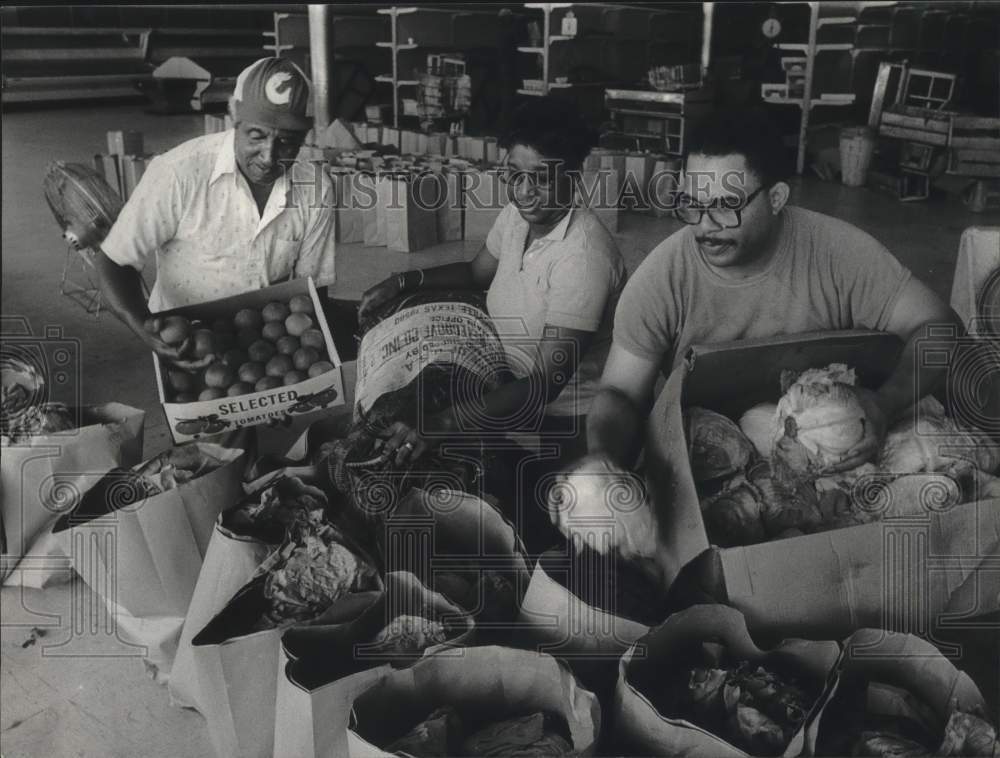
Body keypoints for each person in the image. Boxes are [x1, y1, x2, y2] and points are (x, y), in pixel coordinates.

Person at [587, 108, 961, 469]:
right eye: (692, 205)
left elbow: (938, 324)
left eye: (727, 205)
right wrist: (603, 461)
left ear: (777, 198)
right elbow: (619, 393)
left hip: (839, 456)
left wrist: (885, 403)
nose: (704, 226)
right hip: (711, 463)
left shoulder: (837, 252)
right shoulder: (662, 278)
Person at [358, 97, 627, 467]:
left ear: (573, 176)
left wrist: (443, 423)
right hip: (506, 383)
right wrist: (402, 282)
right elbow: (475, 273)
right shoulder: (518, 218)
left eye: (543, 177)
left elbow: (546, 384)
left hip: (567, 416)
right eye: (515, 174)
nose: (524, 190)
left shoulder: (583, 258)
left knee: (549, 509)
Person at [93, 57, 336, 370]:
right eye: (257, 135)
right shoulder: (178, 173)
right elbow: (114, 260)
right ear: (232, 118)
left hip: (268, 348)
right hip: (187, 343)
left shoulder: (315, 188)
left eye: (287, 143)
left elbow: (312, 291)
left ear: (305, 139)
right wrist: (145, 329)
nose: (269, 156)